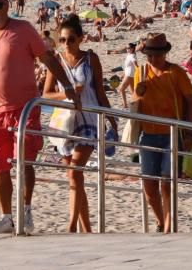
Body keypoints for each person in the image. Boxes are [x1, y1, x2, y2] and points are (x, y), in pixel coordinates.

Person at [0, 0, 80, 235]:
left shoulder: (23, 30)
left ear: (6, 6)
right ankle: (5, 217)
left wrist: (67, 86)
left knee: (24, 162)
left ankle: (25, 210)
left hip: (24, 110)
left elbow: (47, 59)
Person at [42, 14, 117, 233]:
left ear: (81, 38)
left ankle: (71, 227)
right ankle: (87, 229)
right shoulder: (56, 61)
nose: (66, 44)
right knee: (75, 177)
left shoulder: (91, 59)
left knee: (75, 172)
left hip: (89, 120)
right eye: (62, 40)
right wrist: (67, 92)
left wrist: (111, 119)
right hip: (64, 121)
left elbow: (100, 92)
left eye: (71, 39)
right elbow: (46, 93)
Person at [131, 32, 192, 233]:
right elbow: (135, 102)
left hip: (172, 133)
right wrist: (138, 92)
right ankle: (161, 221)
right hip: (148, 133)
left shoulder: (175, 72)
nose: (153, 59)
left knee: (167, 183)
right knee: (149, 186)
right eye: (149, 55)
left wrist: (187, 131)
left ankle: (169, 226)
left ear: (165, 54)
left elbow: (190, 101)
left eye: (157, 55)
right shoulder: (140, 72)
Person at [118, 42, 138, 108]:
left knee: (121, 89)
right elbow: (127, 66)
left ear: (132, 49)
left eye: (128, 48)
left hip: (129, 75)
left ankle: (125, 105)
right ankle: (137, 104)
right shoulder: (129, 55)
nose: (127, 49)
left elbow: (136, 66)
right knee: (133, 92)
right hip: (129, 74)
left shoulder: (132, 56)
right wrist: (123, 74)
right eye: (126, 48)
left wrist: (139, 72)